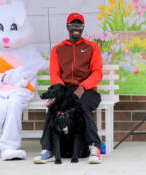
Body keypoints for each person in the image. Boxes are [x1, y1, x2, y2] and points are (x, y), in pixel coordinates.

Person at [33, 13, 103, 164]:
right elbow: (55, 74)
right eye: (73, 25)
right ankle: (47, 149)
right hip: (65, 90)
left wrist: (83, 87)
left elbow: (97, 72)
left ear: (83, 28)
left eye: (79, 25)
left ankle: (94, 147)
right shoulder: (58, 49)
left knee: (83, 106)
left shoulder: (92, 47)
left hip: (88, 90)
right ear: (67, 27)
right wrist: (63, 92)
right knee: (53, 107)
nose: (76, 28)